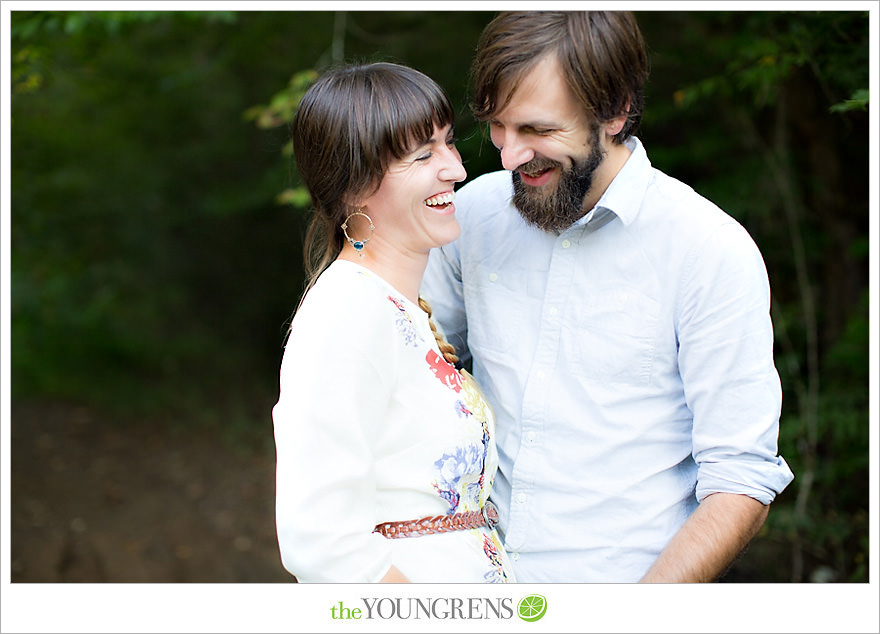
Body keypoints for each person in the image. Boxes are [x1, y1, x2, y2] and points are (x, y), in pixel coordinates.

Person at [421, 11, 795, 583]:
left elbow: (740, 480)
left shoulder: (709, 250)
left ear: (616, 110)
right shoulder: (470, 217)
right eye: (498, 127)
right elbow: (412, 382)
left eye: (538, 130)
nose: (509, 156)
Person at [271, 62, 516, 583]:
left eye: (448, 144)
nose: (455, 168)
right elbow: (321, 540)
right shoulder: (345, 311)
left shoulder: (397, 308)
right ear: (355, 185)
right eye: (423, 154)